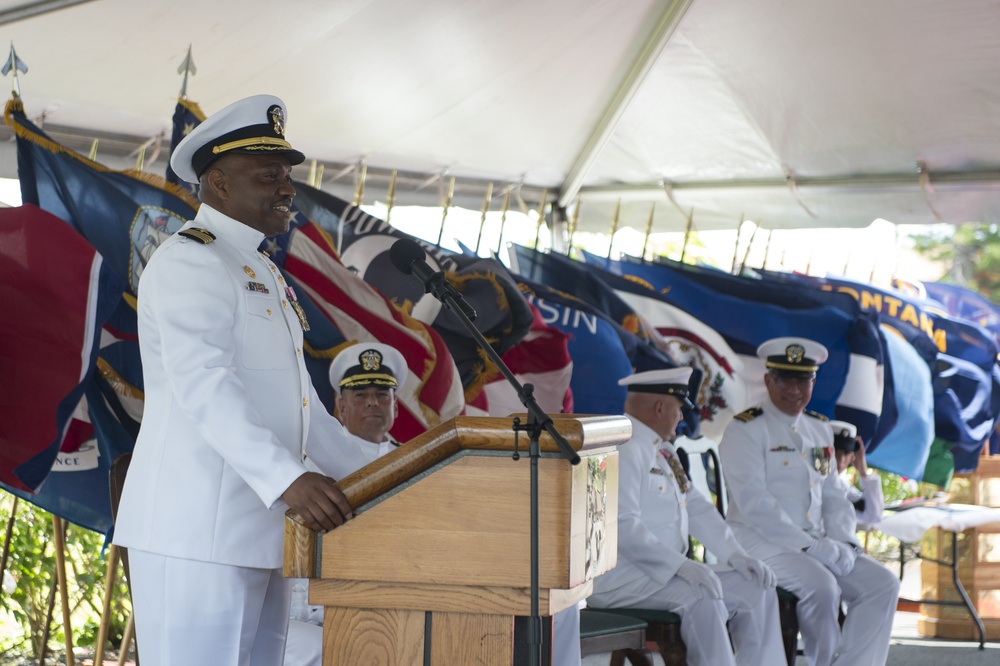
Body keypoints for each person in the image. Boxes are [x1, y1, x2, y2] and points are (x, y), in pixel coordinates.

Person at [113, 94, 371, 666]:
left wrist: (398, 471)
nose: (287, 188)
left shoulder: (261, 271)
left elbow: (306, 415)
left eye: (286, 175)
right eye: (269, 176)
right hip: (196, 536)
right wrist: (291, 480)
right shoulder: (189, 261)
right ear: (220, 184)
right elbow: (204, 385)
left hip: (263, 529)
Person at [719, 337, 899, 666]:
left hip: (817, 543)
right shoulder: (745, 429)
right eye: (785, 380)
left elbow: (833, 493)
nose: (794, 390)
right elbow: (755, 504)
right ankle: (823, 660)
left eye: (803, 380)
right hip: (759, 543)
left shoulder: (818, 429)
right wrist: (811, 547)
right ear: (768, 380)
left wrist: (843, 541)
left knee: (883, 584)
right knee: (823, 588)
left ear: (813, 381)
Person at [588, 367, 786, 666]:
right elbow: (623, 525)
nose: (681, 418)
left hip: (663, 576)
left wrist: (735, 555)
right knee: (703, 598)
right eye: (679, 409)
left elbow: (696, 506)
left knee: (757, 586)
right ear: (659, 407)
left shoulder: (661, 450)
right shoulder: (626, 449)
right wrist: (682, 567)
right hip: (623, 581)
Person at [285, 341, 406, 666]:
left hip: (386, 603)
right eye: (360, 395)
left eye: (382, 395)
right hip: (309, 605)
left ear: (396, 406)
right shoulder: (306, 463)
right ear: (340, 406)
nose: (372, 403)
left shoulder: (417, 463)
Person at [829, 420, 884, 528]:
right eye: (836, 452)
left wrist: (863, 472)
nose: (840, 460)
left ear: (852, 457)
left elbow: (873, 515)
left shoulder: (843, 489)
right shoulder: (806, 477)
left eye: (846, 453)